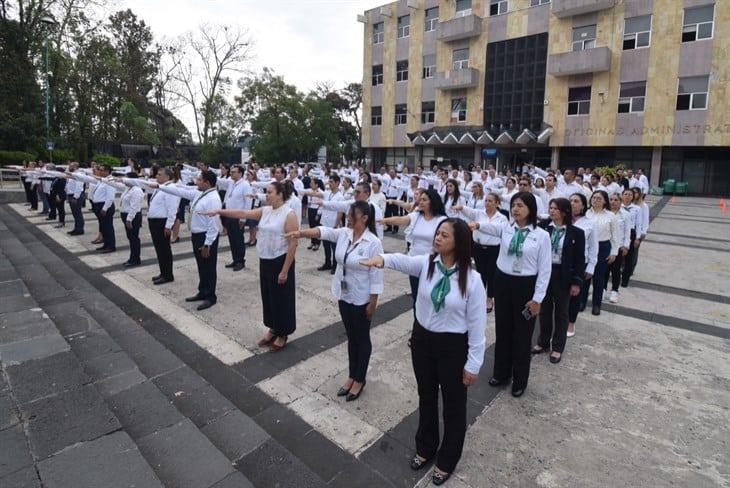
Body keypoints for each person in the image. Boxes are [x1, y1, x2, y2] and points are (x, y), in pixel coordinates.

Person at [360, 218, 486, 486]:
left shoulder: (473, 279)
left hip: (453, 346)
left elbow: (478, 327)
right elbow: (402, 261)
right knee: (426, 395)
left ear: (459, 243)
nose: (437, 238)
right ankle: (426, 446)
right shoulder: (428, 263)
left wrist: (474, 363)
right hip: (423, 341)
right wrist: (380, 259)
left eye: (444, 235)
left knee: (453, 405)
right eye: (437, 233)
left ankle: (448, 458)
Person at [286, 201, 383, 401]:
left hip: (362, 298)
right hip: (344, 294)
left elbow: (376, 275)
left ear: (364, 218)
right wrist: (301, 233)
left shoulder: (373, 242)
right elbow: (324, 231)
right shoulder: (344, 234)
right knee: (351, 337)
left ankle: (360, 379)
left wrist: (373, 302)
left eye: (352, 215)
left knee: (361, 338)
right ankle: (351, 375)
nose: (348, 218)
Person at [471, 192, 551, 397]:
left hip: (526, 286)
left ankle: (520, 379)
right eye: (514, 205)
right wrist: (477, 225)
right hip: (504, 283)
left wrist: (538, 298)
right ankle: (501, 372)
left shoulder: (541, 235)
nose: (515, 209)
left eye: (521, 206)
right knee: (503, 330)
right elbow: (492, 228)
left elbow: (545, 269)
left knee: (522, 335)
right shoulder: (507, 227)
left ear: (531, 209)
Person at [205, 181, 298, 351]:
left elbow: (293, 244)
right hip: (266, 259)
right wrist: (220, 211)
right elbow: (243, 212)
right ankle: (273, 328)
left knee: (282, 299)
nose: (266, 195)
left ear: (279, 194)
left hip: (281, 260)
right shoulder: (265, 210)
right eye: (266, 192)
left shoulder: (289, 214)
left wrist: (285, 270)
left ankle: (283, 333)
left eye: (269, 192)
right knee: (268, 296)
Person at [150, 170, 222, 310]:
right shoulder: (199, 193)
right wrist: (159, 187)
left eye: (199, 180)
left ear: (207, 183)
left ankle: (210, 296)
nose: (196, 182)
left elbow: (213, 225)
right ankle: (202, 291)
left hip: (205, 237)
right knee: (202, 266)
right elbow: (180, 192)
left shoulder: (213, 198)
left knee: (208, 267)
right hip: (197, 235)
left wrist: (208, 244)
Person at [532, 198, 585, 363]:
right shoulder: (542, 228)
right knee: (544, 309)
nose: (551, 210)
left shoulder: (576, 233)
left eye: (555, 208)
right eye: (550, 207)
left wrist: (576, 282)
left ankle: (557, 347)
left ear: (564, 212)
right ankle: (543, 341)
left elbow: (579, 259)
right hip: (545, 272)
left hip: (563, 275)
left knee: (561, 312)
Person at [380, 188, 447, 319]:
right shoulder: (416, 216)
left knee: (430, 297)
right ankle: (418, 325)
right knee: (417, 296)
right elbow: (401, 219)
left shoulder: (441, 220)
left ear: (432, 202)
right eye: (420, 199)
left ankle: (431, 323)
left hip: (432, 263)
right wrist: (384, 221)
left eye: (424, 200)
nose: (420, 202)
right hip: (414, 262)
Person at [454, 192, 507, 313]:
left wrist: (479, 225)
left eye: (490, 201)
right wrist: (461, 207)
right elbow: (469, 211)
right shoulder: (479, 213)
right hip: (478, 247)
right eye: (486, 200)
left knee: (491, 273)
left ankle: (489, 298)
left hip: (493, 249)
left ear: (497, 203)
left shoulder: (502, 218)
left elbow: (496, 229)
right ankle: (480, 296)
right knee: (480, 272)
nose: (487, 203)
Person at [583, 190, 620, 315]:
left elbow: (615, 236)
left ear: (605, 201)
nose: (596, 200)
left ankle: (596, 304)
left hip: (603, 247)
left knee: (599, 278)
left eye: (599, 198)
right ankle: (582, 302)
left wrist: (614, 252)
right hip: (587, 246)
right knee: (585, 276)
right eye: (594, 198)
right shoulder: (586, 213)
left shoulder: (611, 216)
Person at [71, 164, 116, 252]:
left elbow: (110, 197)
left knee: (108, 227)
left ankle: (111, 246)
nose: (100, 171)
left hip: (105, 206)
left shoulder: (110, 181)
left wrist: (105, 208)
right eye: (100, 170)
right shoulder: (102, 180)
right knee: (103, 227)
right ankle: (106, 244)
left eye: (102, 170)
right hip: (99, 205)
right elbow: (86, 179)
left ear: (107, 171)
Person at [109, 173, 144, 267]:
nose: (125, 180)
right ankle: (133, 258)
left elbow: (134, 206)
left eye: (127, 178)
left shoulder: (136, 190)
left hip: (132, 217)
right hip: (126, 215)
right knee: (131, 238)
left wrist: (129, 219)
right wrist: (109, 179)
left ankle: (135, 259)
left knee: (134, 238)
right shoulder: (128, 188)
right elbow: (116, 185)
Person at [221, 165, 249, 271]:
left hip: (238, 216)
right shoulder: (231, 183)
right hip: (229, 214)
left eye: (234, 172)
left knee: (238, 239)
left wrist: (243, 219)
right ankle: (235, 259)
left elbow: (248, 202)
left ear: (240, 173)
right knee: (232, 239)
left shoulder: (245, 185)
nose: (231, 173)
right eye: (231, 172)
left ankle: (241, 261)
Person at [606, 193, 631, 303]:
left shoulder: (625, 214)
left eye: (616, 200)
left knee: (616, 270)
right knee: (604, 271)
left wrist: (626, 246)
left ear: (620, 201)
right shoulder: (605, 213)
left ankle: (614, 291)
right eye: (611, 199)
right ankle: (602, 289)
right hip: (605, 246)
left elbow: (627, 232)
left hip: (619, 247)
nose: (613, 202)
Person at [620, 188, 640, 287]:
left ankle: (625, 281)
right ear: (622, 195)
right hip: (619, 231)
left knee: (629, 258)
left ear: (633, 197)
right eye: (625, 194)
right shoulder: (618, 207)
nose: (627, 196)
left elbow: (639, 224)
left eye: (630, 195)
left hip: (631, 232)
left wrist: (638, 237)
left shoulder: (637, 208)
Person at [65, 163, 85, 235]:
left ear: (76, 167)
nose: (69, 167)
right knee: (75, 213)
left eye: (71, 166)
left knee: (77, 213)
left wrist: (75, 197)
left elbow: (79, 187)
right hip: (71, 195)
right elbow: (69, 184)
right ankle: (76, 228)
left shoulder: (79, 174)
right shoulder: (72, 174)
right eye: (69, 165)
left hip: (76, 196)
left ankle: (80, 229)